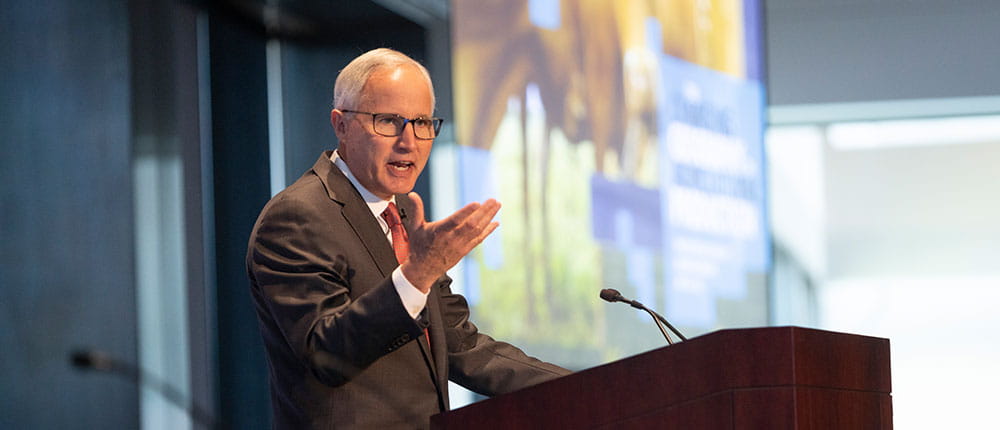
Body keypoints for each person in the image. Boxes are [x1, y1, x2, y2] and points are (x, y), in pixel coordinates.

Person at [246, 48, 570, 429]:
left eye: (421, 122)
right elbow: (326, 353)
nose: (409, 141)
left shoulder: (398, 214)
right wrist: (418, 273)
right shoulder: (298, 217)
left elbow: (461, 348)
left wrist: (585, 387)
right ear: (341, 124)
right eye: (388, 121)